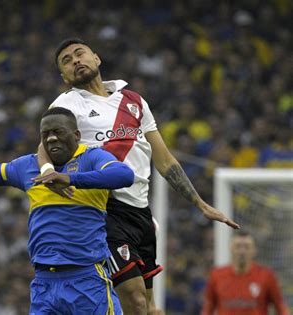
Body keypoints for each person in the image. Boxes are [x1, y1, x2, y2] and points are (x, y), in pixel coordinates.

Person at [37, 37, 240, 315]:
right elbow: (44, 145)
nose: (75, 61)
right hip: (103, 212)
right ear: (64, 76)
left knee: (149, 309)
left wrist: (201, 204)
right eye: (67, 61)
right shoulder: (68, 104)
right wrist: (48, 171)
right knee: (134, 301)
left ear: (96, 58)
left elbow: (164, 159)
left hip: (141, 214)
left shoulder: (134, 101)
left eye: (79, 54)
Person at [0, 107, 135, 314]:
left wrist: (71, 179)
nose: (52, 138)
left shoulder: (91, 158)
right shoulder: (28, 166)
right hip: (44, 285)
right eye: (46, 134)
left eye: (58, 131)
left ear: (77, 135)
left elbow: (124, 175)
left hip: (87, 280)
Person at [201, 231, 289, 315]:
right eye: (238, 246)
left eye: (247, 247)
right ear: (231, 249)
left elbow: (280, 307)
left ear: (254, 250)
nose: (242, 251)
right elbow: (208, 308)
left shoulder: (267, 276)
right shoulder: (216, 275)